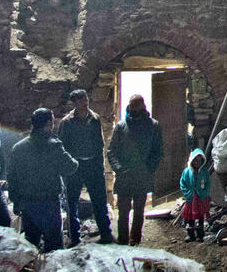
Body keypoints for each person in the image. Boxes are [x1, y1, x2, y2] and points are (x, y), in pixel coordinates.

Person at [7, 108, 79, 252]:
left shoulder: (18, 148)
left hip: (27, 203)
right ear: (48, 123)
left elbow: (12, 177)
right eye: (52, 121)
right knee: (54, 248)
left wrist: (15, 201)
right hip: (48, 204)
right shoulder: (54, 146)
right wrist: (74, 159)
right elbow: (70, 167)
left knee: (30, 246)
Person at [57, 89, 114, 244]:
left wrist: (98, 164)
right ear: (74, 102)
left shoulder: (94, 119)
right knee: (72, 201)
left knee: (99, 199)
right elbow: (62, 147)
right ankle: (74, 237)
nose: (85, 102)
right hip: (75, 166)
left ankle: (106, 232)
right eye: (81, 99)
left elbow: (100, 143)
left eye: (86, 98)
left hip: (92, 164)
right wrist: (68, 165)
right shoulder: (67, 122)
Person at [107, 94, 163, 246]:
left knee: (139, 211)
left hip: (142, 176)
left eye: (136, 106)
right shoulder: (121, 126)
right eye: (132, 106)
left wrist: (149, 168)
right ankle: (123, 241)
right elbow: (111, 151)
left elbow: (157, 151)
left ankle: (135, 240)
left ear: (143, 106)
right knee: (123, 212)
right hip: (125, 176)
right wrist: (118, 169)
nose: (134, 109)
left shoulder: (153, 126)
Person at [179, 148, 211, 242]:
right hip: (191, 199)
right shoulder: (187, 172)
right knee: (190, 218)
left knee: (200, 217)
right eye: (195, 160)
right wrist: (187, 193)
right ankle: (190, 235)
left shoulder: (204, 172)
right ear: (192, 161)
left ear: (202, 161)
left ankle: (200, 235)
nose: (197, 162)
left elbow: (208, 184)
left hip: (200, 198)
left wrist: (204, 193)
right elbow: (182, 183)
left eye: (199, 161)